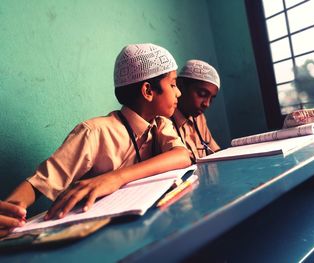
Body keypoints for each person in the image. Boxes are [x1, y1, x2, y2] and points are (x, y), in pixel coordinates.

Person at [0, 43, 191, 237]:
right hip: (97, 234)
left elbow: (182, 156)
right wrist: (11, 209)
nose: (179, 93)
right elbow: (39, 183)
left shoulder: (160, 124)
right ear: (148, 91)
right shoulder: (94, 132)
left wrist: (115, 178)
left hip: (142, 225)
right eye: (173, 85)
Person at [171, 59, 221, 162]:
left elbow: (215, 151)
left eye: (211, 98)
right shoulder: (164, 121)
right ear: (180, 85)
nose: (206, 104)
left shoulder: (199, 118)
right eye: (202, 94)